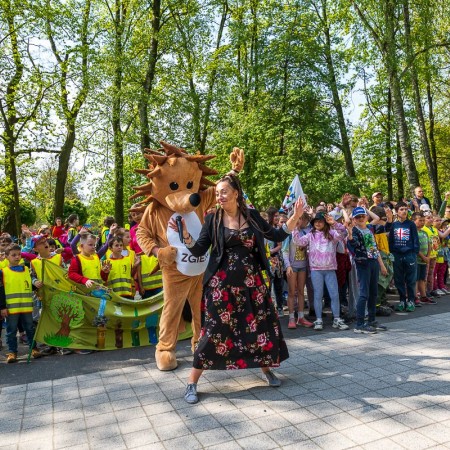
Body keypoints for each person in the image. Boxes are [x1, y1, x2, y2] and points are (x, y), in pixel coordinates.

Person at [170, 174, 303, 404]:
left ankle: (265, 369)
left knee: (258, 328)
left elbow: (276, 235)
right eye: (218, 192)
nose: (219, 196)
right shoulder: (212, 219)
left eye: (223, 192)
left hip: (253, 285)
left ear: (235, 193)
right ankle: (192, 382)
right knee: (214, 331)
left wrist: (295, 216)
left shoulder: (251, 216)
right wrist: (185, 236)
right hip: (221, 287)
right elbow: (199, 250)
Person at [292, 211, 349, 331]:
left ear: (325, 222)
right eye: (316, 221)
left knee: (334, 294)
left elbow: (343, 233)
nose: (318, 223)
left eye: (320, 221)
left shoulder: (332, 234)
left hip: (330, 269)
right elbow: (298, 242)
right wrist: (295, 228)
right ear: (313, 223)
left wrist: (334, 223)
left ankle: (337, 318)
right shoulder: (310, 235)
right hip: (316, 270)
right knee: (317, 295)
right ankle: (318, 319)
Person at [346, 207, 388, 334]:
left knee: (373, 292)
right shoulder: (354, 231)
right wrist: (350, 235)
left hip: (374, 261)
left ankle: (371, 320)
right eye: (357, 217)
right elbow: (355, 245)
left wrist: (382, 265)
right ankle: (359, 324)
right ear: (354, 219)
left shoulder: (369, 228)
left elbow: (374, 247)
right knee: (364, 293)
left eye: (362, 216)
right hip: (363, 264)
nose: (361, 218)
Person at [0, 244, 42, 363]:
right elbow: (1, 291)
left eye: (19, 254)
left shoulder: (26, 270)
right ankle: (12, 352)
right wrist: (2, 307)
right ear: (6, 256)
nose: (17, 257)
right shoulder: (3, 272)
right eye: (13, 255)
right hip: (11, 309)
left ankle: (33, 349)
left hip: (26, 307)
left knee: (30, 328)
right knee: (11, 331)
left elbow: (29, 286)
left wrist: (36, 285)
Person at [281, 212, 313, 329]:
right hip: (292, 267)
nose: (298, 220)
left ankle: (301, 317)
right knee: (291, 291)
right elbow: (284, 251)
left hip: (303, 266)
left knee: (300, 291)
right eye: (296, 218)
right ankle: (291, 318)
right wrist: (288, 265)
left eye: (301, 218)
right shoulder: (288, 234)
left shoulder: (305, 233)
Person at [388, 202, 420, 312]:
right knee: (399, 279)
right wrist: (392, 252)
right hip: (397, 255)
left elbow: (415, 240)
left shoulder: (411, 224)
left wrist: (414, 253)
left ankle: (411, 300)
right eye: (401, 209)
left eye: (406, 209)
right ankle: (402, 300)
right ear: (397, 212)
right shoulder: (394, 225)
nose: (404, 211)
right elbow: (391, 240)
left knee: (411, 279)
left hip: (409, 255)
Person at [412, 212, 436, 305]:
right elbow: (415, 247)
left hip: (424, 260)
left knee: (422, 278)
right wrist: (423, 257)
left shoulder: (424, 232)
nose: (422, 222)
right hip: (417, 260)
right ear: (414, 221)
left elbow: (429, 244)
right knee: (416, 279)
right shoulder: (413, 232)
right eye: (420, 220)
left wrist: (428, 256)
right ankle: (415, 297)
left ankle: (423, 296)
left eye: (423, 220)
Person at [266, 207, 284, 315]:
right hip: (266, 260)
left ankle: (280, 306)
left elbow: (279, 245)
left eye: (278, 215)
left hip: (276, 260)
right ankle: (268, 307)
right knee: (267, 285)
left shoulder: (278, 229)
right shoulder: (264, 229)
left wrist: (270, 251)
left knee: (278, 285)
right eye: (276, 215)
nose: (277, 218)